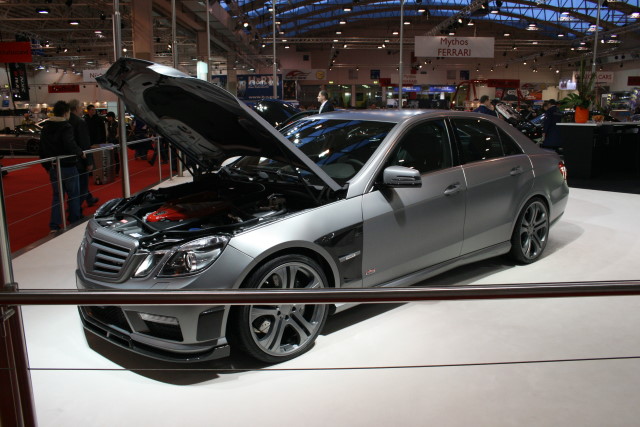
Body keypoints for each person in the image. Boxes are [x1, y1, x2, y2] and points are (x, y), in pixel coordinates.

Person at [39, 101, 86, 232]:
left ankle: (54, 225)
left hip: (53, 166)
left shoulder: (46, 127)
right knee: (73, 195)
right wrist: (80, 152)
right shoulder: (66, 126)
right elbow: (69, 144)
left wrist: (47, 166)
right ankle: (75, 221)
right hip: (68, 165)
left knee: (57, 196)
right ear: (66, 113)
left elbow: (42, 149)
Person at [69, 99, 98, 207]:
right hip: (81, 158)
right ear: (77, 108)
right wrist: (89, 161)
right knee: (82, 184)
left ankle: (89, 199)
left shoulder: (67, 121)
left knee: (76, 185)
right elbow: (85, 143)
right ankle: (75, 209)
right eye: (81, 107)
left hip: (70, 159)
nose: (82, 109)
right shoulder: (80, 122)